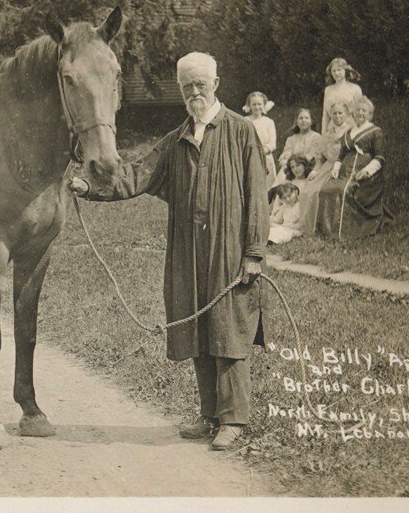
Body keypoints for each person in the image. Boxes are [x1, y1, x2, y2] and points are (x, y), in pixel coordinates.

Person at [69, 52, 269, 451]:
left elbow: (258, 196)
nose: (195, 91)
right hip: (187, 249)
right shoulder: (177, 140)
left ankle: (234, 420)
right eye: (187, 86)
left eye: (201, 84)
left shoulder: (242, 131)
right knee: (196, 326)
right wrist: (89, 187)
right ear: (180, 90)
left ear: (216, 84)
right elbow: (135, 175)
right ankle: (209, 414)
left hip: (229, 249)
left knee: (228, 329)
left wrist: (254, 253)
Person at [316, 96, 387, 239]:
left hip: (364, 172)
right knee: (326, 188)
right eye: (357, 110)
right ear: (353, 113)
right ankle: (327, 232)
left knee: (343, 190)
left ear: (369, 114)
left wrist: (367, 171)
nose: (360, 113)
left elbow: (380, 157)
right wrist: (336, 169)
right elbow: (341, 155)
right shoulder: (348, 133)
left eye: (364, 110)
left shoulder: (375, 131)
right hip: (345, 171)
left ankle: (343, 232)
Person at [297, 102, 352, 234]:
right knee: (307, 190)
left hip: (344, 167)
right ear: (330, 115)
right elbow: (321, 158)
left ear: (346, 114)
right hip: (327, 166)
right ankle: (308, 228)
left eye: (340, 113)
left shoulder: (351, 132)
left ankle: (324, 228)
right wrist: (315, 170)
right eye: (334, 113)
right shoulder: (327, 134)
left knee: (322, 191)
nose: (337, 116)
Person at [320, 58, 364, 134]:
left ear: (345, 71)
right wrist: (323, 134)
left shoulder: (355, 89)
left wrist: (360, 132)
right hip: (332, 129)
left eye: (339, 70)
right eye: (334, 71)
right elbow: (325, 115)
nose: (336, 73)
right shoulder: (328, 90)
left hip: (350, 128)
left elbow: (360, 113)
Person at [244, 91, 277, 189]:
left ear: (264, 105)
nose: (257, 107)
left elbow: (272, 144)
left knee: (267, 188)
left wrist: (259, 152)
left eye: (259, 104)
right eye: (254, 104)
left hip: (265, 159)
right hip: (248, 159)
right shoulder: (244, 121)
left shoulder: (269, 122)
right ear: (249, 105)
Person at [275, 109, 322, 178]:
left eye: (306, 118)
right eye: (301, 118)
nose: (303, 120)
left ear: (311, 121)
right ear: (296, 122)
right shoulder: (291, 139)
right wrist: (285, 160)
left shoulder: (316, 137)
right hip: (293, 170)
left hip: (309, 169)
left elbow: (315, 156)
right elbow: (286, 153)